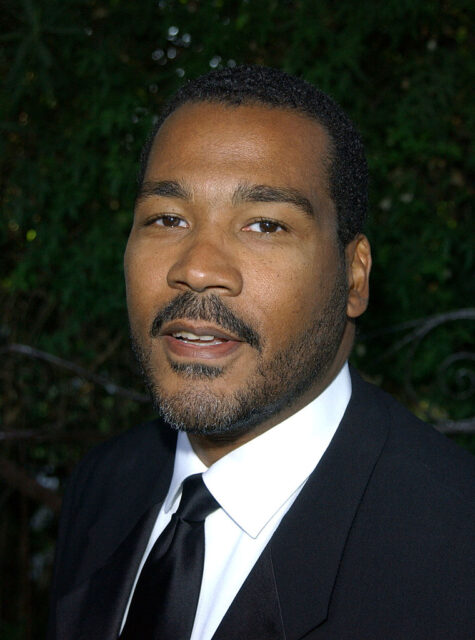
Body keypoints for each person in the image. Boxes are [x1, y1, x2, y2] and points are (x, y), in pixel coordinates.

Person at [48, 66, 474, 640]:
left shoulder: (453, 549)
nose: (196, 267)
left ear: (354, 275)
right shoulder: (103, 486)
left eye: (264, 225)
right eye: (167, 219)